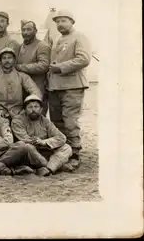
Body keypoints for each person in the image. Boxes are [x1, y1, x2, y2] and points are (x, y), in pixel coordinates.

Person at [47, 10, 91, 171]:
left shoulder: (79, 37)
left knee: (70, 121)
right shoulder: (57, 39)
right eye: (57, 21)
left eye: (63, 20)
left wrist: (61, 67)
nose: (60, 24)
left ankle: (75, 154)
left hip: (72, 86)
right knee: (57, 122)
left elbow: (84, 59)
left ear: (72, 21)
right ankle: (63, 152)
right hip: (55, 86)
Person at [11, 94, 73, 176]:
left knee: (66, 148)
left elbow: (61, 137)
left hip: (45, 150)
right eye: (30, 107)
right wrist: (37, 142)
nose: (33, 110)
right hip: (29, 153)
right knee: (27, 147)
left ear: (41, 109)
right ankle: (55, 166)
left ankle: (48, 168)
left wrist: (44, 142)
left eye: (36, 107)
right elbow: (25, 139)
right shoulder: (17, 120)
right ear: (25, 109)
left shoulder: (45, 121)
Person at [0, 47, 41, 119]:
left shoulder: (22, 76)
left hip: (19, 113)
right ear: (0, 61)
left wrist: (27, 108)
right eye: (4, 58)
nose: (7, 60)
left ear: (14, 60)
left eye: (9, 58)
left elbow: (36, 92)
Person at [16, 20, 51, 116]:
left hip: (38, 89)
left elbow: (44, 65)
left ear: (35, 31)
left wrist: (21, 67)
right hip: (23, 90)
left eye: (29, 29)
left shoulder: (42, 46)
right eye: (23, 30)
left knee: (38, 117)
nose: (25, 33)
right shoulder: (20, 47)